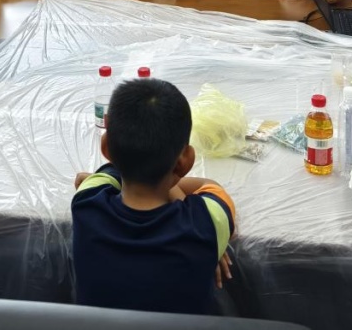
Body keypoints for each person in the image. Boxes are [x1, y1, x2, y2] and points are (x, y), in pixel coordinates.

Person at [72, 77, 236, 315]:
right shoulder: (208, 224)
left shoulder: (86, 202)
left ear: (106, 148)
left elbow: (91, 179)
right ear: (186, 161)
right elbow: (210, 186)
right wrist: (213, 243)